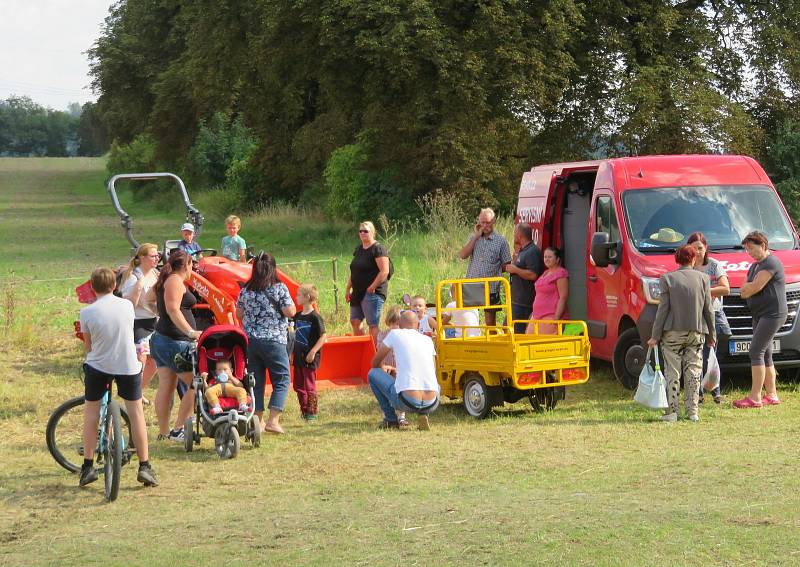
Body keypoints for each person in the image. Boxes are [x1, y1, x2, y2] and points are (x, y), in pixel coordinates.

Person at [78, 268, 157, 488]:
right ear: (115, 286)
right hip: (127, 365)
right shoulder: (126, 306)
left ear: (92, 288)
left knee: (92, 412)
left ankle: (87, 466)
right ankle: (145, 465)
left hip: (98, 366)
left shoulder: (87, 313)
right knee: (136, 413)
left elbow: (88, 346)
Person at [647, 244, 716, 422]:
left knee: (673, 370)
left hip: (672, 332)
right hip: (697, 331)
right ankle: (693, 412)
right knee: (694, 370)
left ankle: (673, 411)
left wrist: (655, 335)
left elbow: (663, 310)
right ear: (693, 259)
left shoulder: (667, 279)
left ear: (677, 259)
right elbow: (708, 310)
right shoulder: (703, 279)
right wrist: (712, 335)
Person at [236, 252, 296, 433]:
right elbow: (290, 311)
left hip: (251, 342)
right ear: (273, 268)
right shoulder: (279, 288)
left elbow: (239, 314)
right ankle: (273, 421)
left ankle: (258, 421)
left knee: (257, 381)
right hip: (274, 340)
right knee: (282, 378)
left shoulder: (246, 290)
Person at [150, 250, 202, 442]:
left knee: (167, 385)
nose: (193, 269)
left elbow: (149, 298)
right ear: (186, 264)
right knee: (196, 384)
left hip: (164, 340)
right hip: (175, 342)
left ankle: (164, 432)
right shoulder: (174, 281)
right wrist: (190, 332)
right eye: (192, 265)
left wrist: (159, 312)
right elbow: (172, 309)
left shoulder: (167, 279)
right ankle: (178, 428)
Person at [734, 231, 788, 409]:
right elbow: (743, 290)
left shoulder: (771, 262)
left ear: (763, 245)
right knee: (765, 353)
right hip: (760, 314)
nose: (748, 252)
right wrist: (748, 288)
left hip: (772, 314)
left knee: (755, 351)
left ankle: (755, 397)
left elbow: (754, 287)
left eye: (751, 248)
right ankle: (771, 394)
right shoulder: (754, 266)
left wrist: (749, 288)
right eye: (746, 249)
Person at [368, 311, 439, 431]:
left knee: (372, 373)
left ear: (399, 324)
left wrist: (384, 369)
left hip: (407, 401)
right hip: (432, 403)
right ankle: (423, 413)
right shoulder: (427, 340)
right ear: (418, 326)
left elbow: (375, 362)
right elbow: (433, 369)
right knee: (434, 384)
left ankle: (390, 420)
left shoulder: (395, 334)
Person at [687, 232, 731, 404]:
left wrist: (704, 291)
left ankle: (713, 389)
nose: (697, 252)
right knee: (697, 354)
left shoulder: (714, 265)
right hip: (695, 315)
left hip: (714, 314)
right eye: (694, 248)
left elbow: (726, 288)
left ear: (706, 248)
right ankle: (700, 392)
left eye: (700, 248)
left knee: (712, 351)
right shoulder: (687, 267)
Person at [119, 243, 160, 405]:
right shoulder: (133, 277)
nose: (157, 258)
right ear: (142, 258)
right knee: (141, 361)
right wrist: (138, 286)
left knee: (155, 361)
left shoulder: (156, 274)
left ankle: (138, 391)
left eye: (158, 255)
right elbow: (128, 304)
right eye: (153, 256)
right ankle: (133, 395)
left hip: (153, 322)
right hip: (138, 324)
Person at [459, 208, 512, 326]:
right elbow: (463, 255)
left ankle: (492, 342)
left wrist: (494, 270)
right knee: (470, 318)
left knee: (490, 321)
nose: (485, 225)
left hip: (491, 286)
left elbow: (507, 264)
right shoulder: (473, 238)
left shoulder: (501, 241)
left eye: (488, 222)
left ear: (494, 222)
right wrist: (475, 237)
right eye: (482, 222)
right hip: (472, 284)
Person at [345, 221, 390, 343]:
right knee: (355, 321)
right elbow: (354, 271)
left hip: (372, 292)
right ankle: (362, 346)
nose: (362, 233)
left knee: (372, 324)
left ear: (373, 232)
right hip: (357, 291)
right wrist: (348, 288)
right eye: (360, 231)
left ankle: (375, 351)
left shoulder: (378, 249)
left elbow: (384, 271)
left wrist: (372, 287)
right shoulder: (359, 249)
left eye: (366, 231)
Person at [292, 284, 327, 420]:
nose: (296, 297)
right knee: (298, 385)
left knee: (309, 385)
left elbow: (323, 336)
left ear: (307, 297)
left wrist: (313, 352)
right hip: (298, 357)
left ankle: (312, 412)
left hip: (309, 358)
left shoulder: (315, 317)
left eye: (299, 295)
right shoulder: (297, 316)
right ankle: (304, 410)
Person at [504, 222, 544, 333]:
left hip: (523, 303)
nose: (513, 236)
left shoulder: (533, 251)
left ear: (519, 235)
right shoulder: (523, 250)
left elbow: (533, 275)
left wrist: (515, 269)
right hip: (515, 301)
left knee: (517, 333)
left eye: (514, 233)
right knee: (506, 329)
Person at [375, 305, 407, 426]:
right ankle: (387, 415)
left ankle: (402, 416)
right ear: (388, 322)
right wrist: (382, 366)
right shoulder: (382, 335)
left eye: (398, 324)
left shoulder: (405, 337)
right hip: (387, 369)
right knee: (386, 392)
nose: (395, 327)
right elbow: (379, 353)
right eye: (393, 323)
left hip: (399, 369)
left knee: (401, 391)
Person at [526, 247, 569, 335]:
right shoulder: (545, 273)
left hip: (550, 316)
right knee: (528, 342)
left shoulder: (560, 273)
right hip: (536, 316)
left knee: (543, 345)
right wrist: (533, 313)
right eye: (545, 257)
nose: (546, 259)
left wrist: (556, 318)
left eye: (550, 257)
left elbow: (563, 298)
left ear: (557, 259)